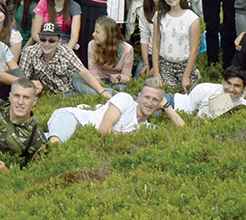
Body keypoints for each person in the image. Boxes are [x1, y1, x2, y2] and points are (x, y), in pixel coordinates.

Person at [48, 78, 183, 139]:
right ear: (139, 96)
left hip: (81, 136)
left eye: (155, 100)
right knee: (56, 145)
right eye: (147, 97)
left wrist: (167, 106)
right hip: (74, 118)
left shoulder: (146, 128)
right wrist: (133, 137)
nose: (150, 103)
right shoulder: (125, 100)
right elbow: (104, 130)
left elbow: (183, 131)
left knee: (38, 142)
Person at [18, 21, 106, 97]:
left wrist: (102, 91)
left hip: (71, 86)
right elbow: (22, 80)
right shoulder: (29, 53)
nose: (46, 44)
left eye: (51, 40)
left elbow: (83, 72)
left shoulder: (65, 51)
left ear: (59, 41)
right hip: (50, 93)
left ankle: (112, 95)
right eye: (43, 39)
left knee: (93, 93)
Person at [152, 0, 202, 91]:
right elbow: (155, 44)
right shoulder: (159, 16)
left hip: (185, 64)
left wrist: (186, 76)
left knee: (188, 97)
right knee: (170, 94)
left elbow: (194, 49)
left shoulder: (192, 18)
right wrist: (156, 72)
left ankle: (195, 75)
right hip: (166, 64)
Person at [172, 67, 246, 116]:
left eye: (237, 86)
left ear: (244, 89)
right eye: (228, 83)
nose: (231, 89)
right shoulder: (204, 89)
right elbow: (186, 114)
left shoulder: (242, 106)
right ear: (223, 82)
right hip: (173, 103)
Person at [86, 15, 133, 91]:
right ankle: (110, 94)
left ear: (108, 35)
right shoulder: (92, 45)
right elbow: (93, 73)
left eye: (97, 32)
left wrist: (118, 78)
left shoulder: (127, 49)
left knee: (121, 89)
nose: (93, 34)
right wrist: (102, 88)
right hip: (99, 81)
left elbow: (127, 76)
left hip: (117, 84)